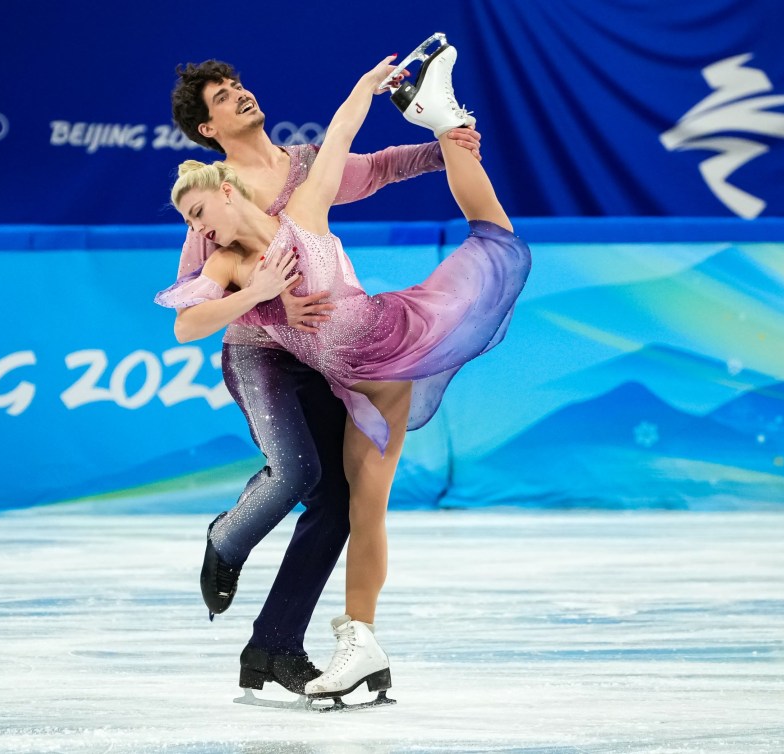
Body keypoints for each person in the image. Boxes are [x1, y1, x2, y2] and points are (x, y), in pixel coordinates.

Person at [162, 39, 531, 701]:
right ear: (207, 130)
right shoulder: (209, 209)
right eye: (222, 97)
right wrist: (273, 305)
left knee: (340, 504)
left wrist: (448, 143)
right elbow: (196, 300)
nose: (240, 94)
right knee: (305, 476)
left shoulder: (303, 179)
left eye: (236, 84)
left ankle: (277, 646)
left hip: (344, 350)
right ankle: (235, 543)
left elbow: (366, 157)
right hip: (264, 352)